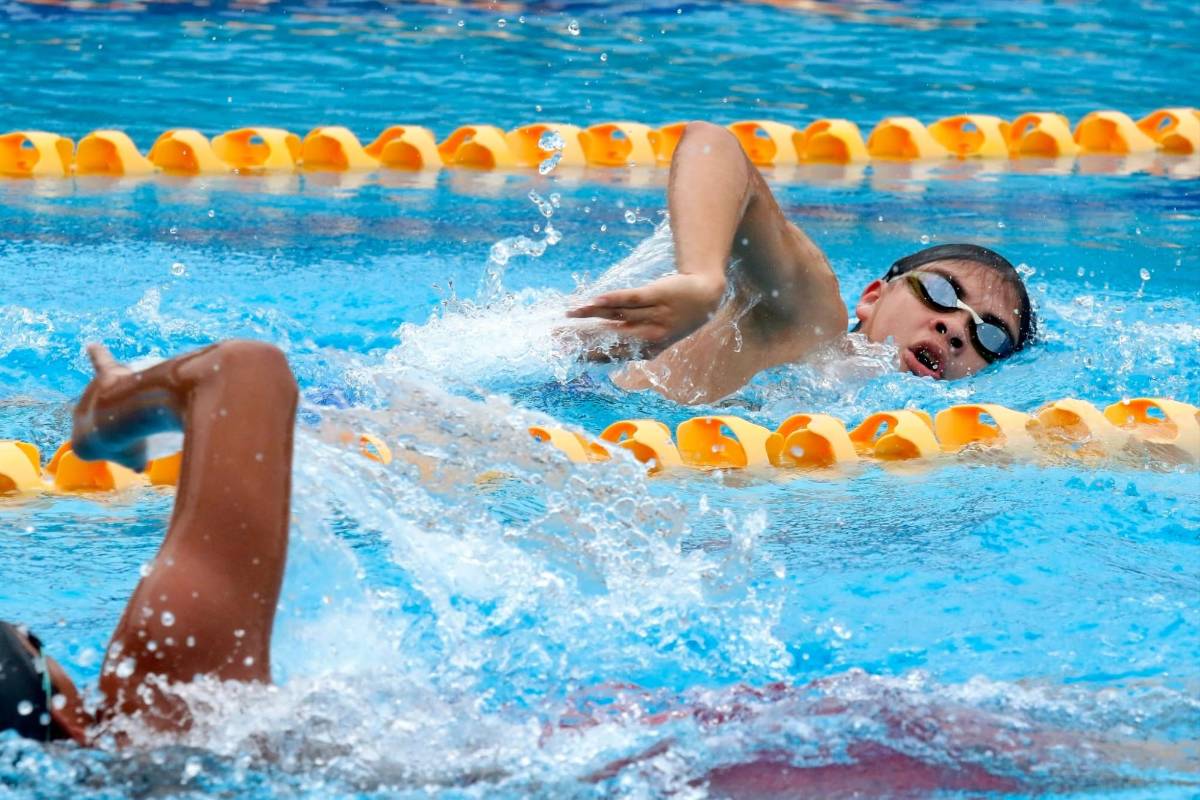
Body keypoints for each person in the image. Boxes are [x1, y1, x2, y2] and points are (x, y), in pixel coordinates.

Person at [567, 121, 1036, 404]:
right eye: (941, 293)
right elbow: (712, 143)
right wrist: (702, 279)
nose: (956, 329)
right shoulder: (810, 320)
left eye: (989, 334)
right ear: (873, 297)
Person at [0, 340, 297, 745]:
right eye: (31, 641)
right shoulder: (166, 707)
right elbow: (245, 369)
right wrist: (107, 412)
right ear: (67, 718)